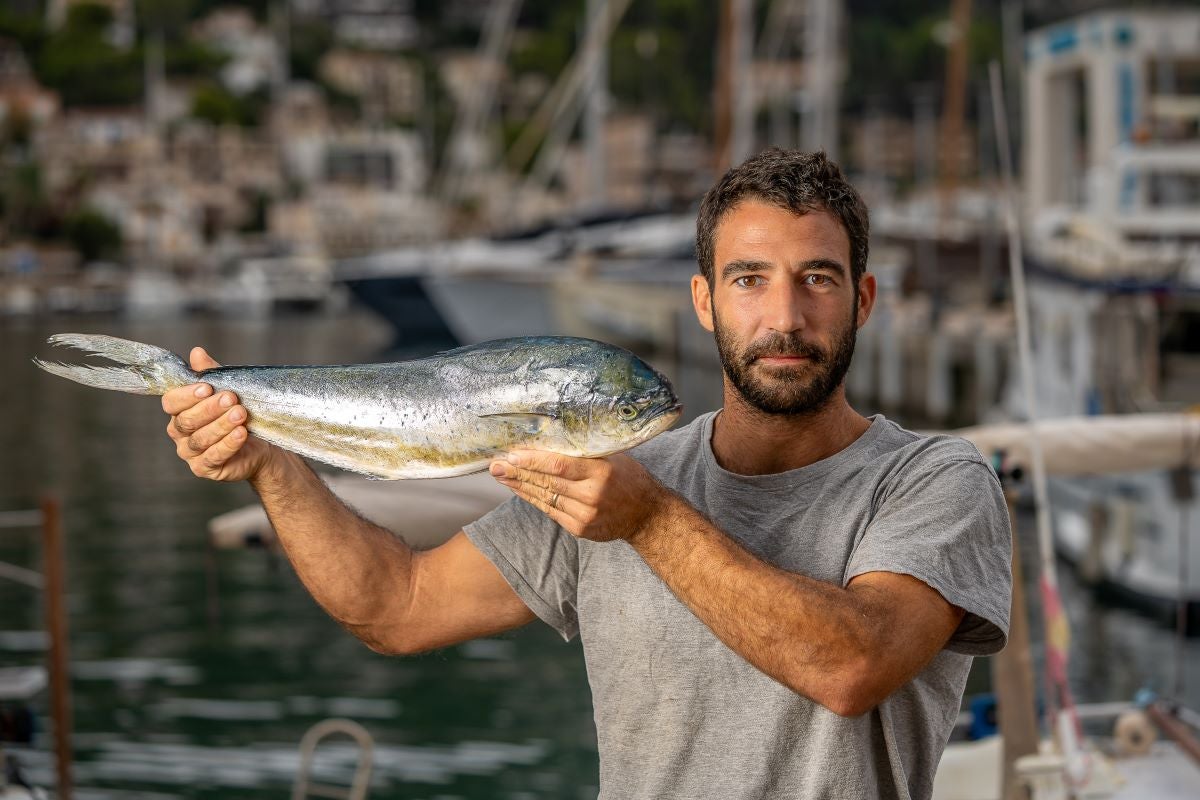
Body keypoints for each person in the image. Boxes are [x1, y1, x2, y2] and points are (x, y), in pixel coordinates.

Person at [162, 149, 1012, 800]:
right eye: (749, 280)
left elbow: (851, 668)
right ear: (705, 302)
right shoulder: (618, 474)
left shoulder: (933, 480)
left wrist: (649, 522)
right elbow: (396, 606)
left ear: (862, 301)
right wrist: (267, 462)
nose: (784, 318)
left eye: (816, 280)